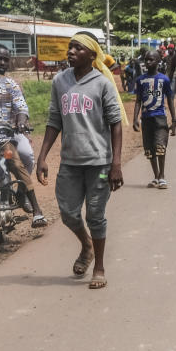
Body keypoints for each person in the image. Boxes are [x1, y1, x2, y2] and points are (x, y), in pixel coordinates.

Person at [35, 32, 126, 289]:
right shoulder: (60, 81)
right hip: (70, 163)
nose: (71, 51)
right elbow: (54, 120)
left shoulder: (102, 84)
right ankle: (87, 245)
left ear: (92, 55)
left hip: (99, 162)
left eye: (78, 48)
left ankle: (98, 266)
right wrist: (42, 156)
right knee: (68, 213)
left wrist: (116, 164)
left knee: (95, 215)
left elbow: (116, 123)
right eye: (70, 47)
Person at [0, 44, 47, 227]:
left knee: (24, 156)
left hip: (8, 134)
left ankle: (33, 206)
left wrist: (22, 121)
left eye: (5, 59)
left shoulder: (11, 84)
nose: (2, 62)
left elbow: (21, 106)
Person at [133, 50, 176, 189]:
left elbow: (170, 99)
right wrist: (135, 118)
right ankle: (156, 175)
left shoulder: (164, 79)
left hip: (160, 118)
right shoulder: (140, 80)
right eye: (146, 60)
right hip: (146, 119)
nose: (148, 62)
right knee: (149, 149)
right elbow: (138, 100)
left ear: (158, 61)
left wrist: (175, 119)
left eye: (151, 60)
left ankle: (162, 176)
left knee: (160, 147)